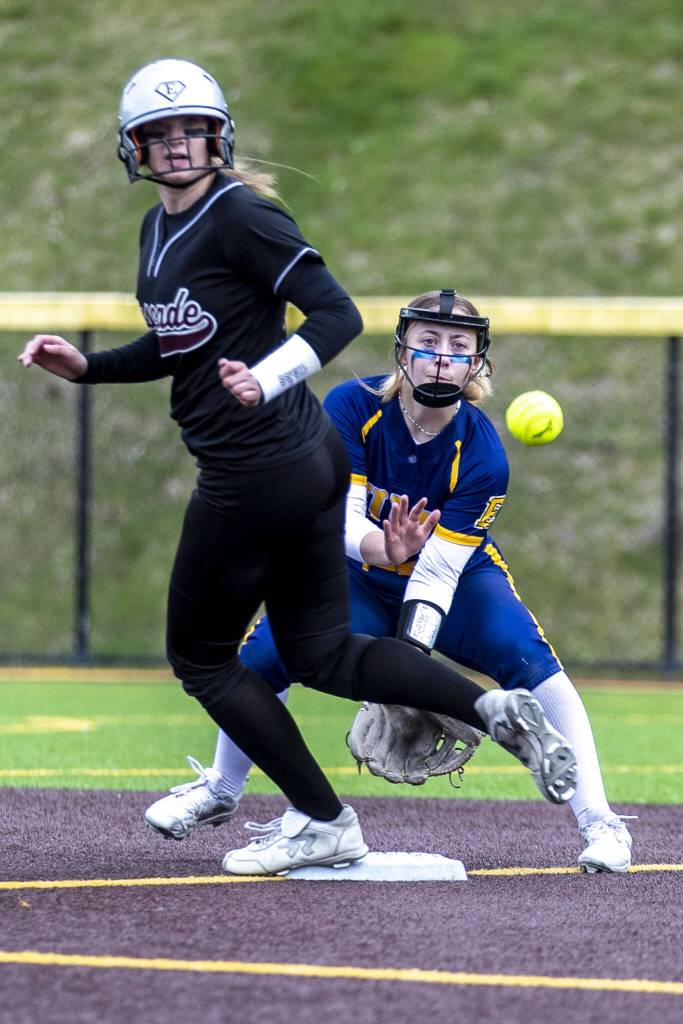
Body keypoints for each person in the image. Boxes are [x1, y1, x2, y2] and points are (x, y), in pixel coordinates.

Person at [18, 59, 577, 877]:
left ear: (220, 136)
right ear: (132, 147)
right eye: (157, 133)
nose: (176, 145)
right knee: (318, 651)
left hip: (258, 467)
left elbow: (337, 312)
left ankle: (320, 818)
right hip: (301, 460)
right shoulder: (157, 229)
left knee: (202, 659)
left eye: (192, 129)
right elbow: (180, 344)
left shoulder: (241, 214)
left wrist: (268, 375)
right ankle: (489, 707)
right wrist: (91, 368)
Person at [146, 288, 633, 874]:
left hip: (456, 576)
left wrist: (405, 669)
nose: (442, 358)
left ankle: (600, 822)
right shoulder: (351, 406)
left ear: (479, 361)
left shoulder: (482, 456)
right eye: (429, 342)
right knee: (263, 656)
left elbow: (439, 571)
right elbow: (341, 515)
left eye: (459, 346)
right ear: (402, 347)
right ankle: (222, 788)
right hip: (353, 566)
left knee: (532, 664)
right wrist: (382, 546)